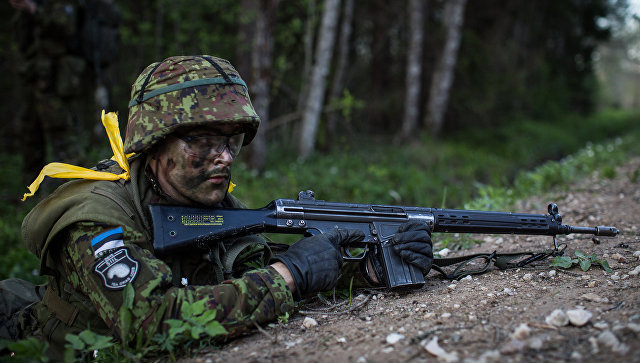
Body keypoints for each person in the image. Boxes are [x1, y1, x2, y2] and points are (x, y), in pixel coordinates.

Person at [9, 55, 433, 358]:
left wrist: (367, 270)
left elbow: (254, 272)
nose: (225, 157)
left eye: (231, 141)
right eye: (204, 141)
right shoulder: (96, 219)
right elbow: (151, 325)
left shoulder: (215, 207)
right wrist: (289, 276)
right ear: (153, 144)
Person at [9, 0, 120, 175]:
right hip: (33, 76)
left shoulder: (58, 4)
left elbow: (65, 27)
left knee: (63, 132)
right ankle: (30, 190)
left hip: (56, 79)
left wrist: (34, 10)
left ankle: (77, 183)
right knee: (29, 132)